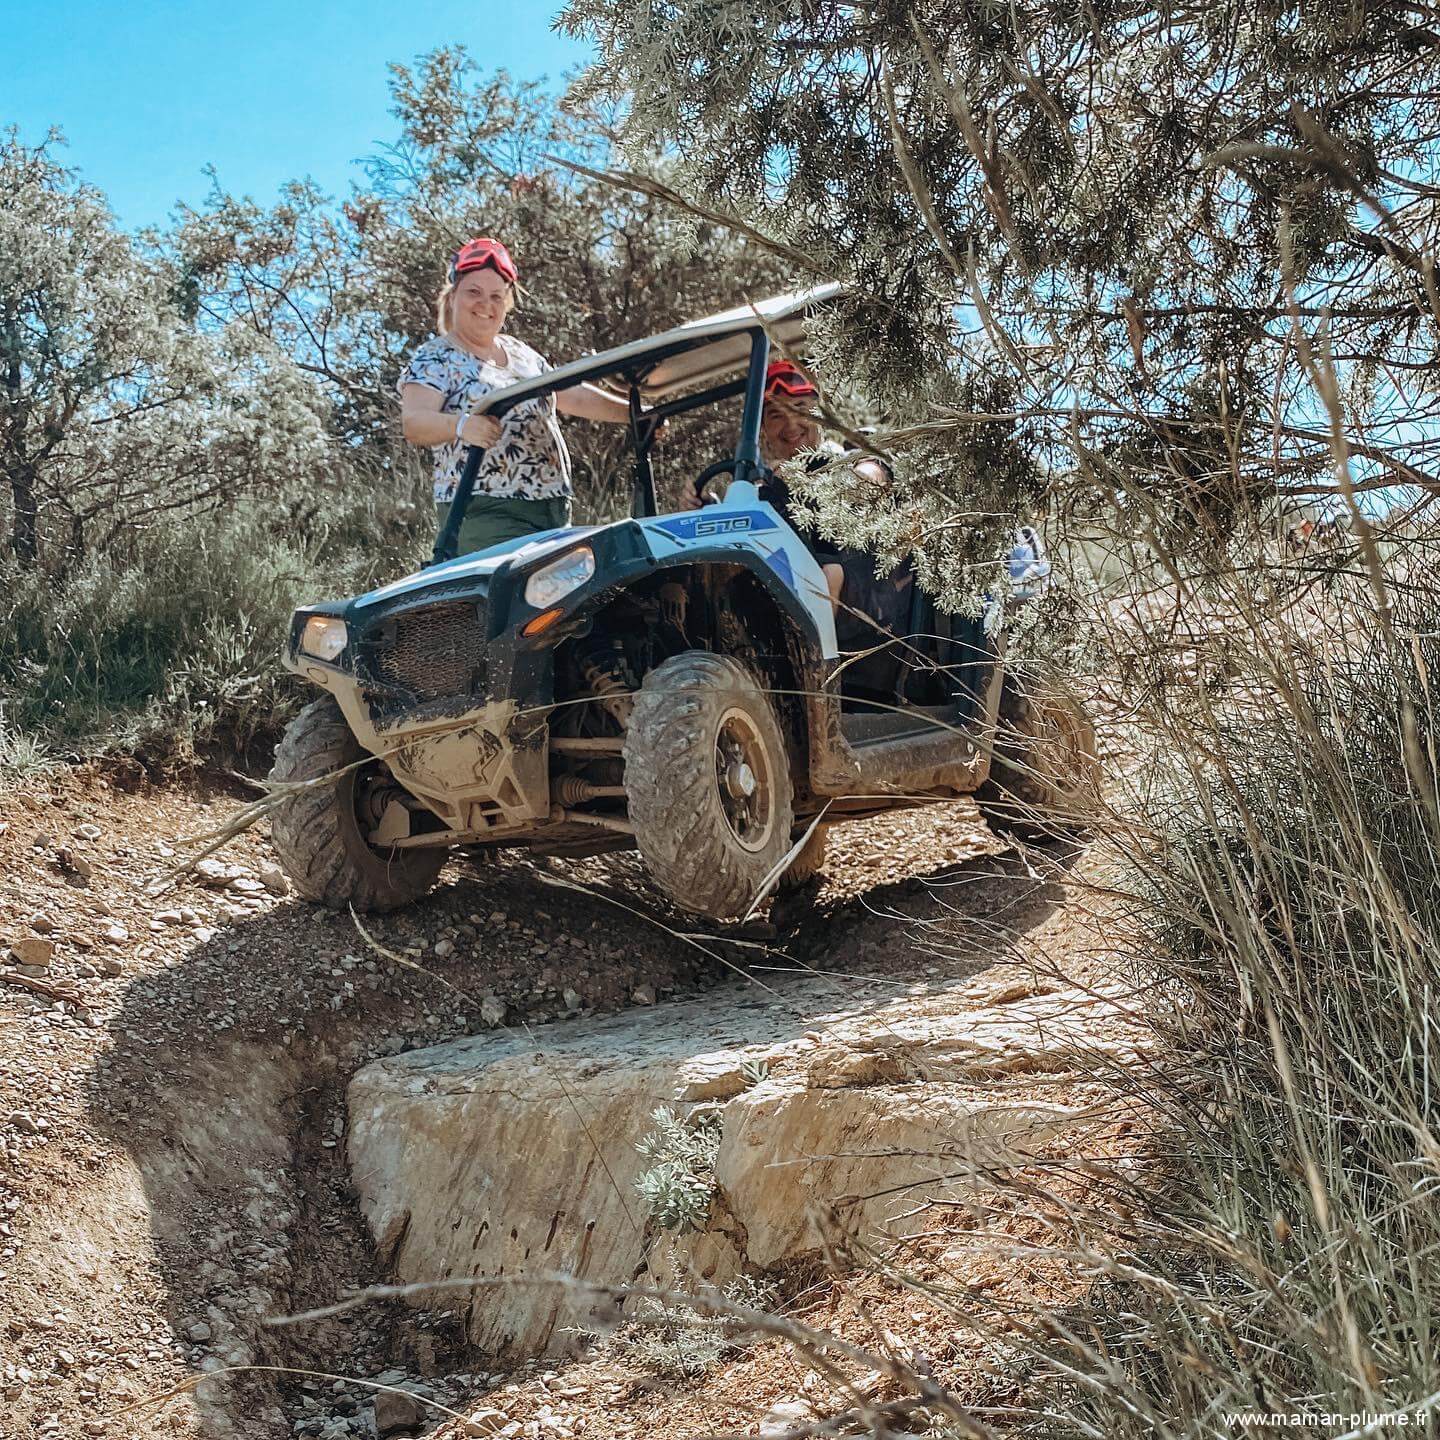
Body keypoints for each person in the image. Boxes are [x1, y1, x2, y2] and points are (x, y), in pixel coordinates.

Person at [398, 237, 638, 556]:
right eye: (474, 292)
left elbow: (571, 395)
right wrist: (462, 425)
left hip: (551, 509)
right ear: (453, 296)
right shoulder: (435, 357)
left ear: (508, 303)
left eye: (496, 296)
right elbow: (414, 423)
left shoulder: (520, 352)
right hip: (486, 512)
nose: (486, 304)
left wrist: (635, 413)